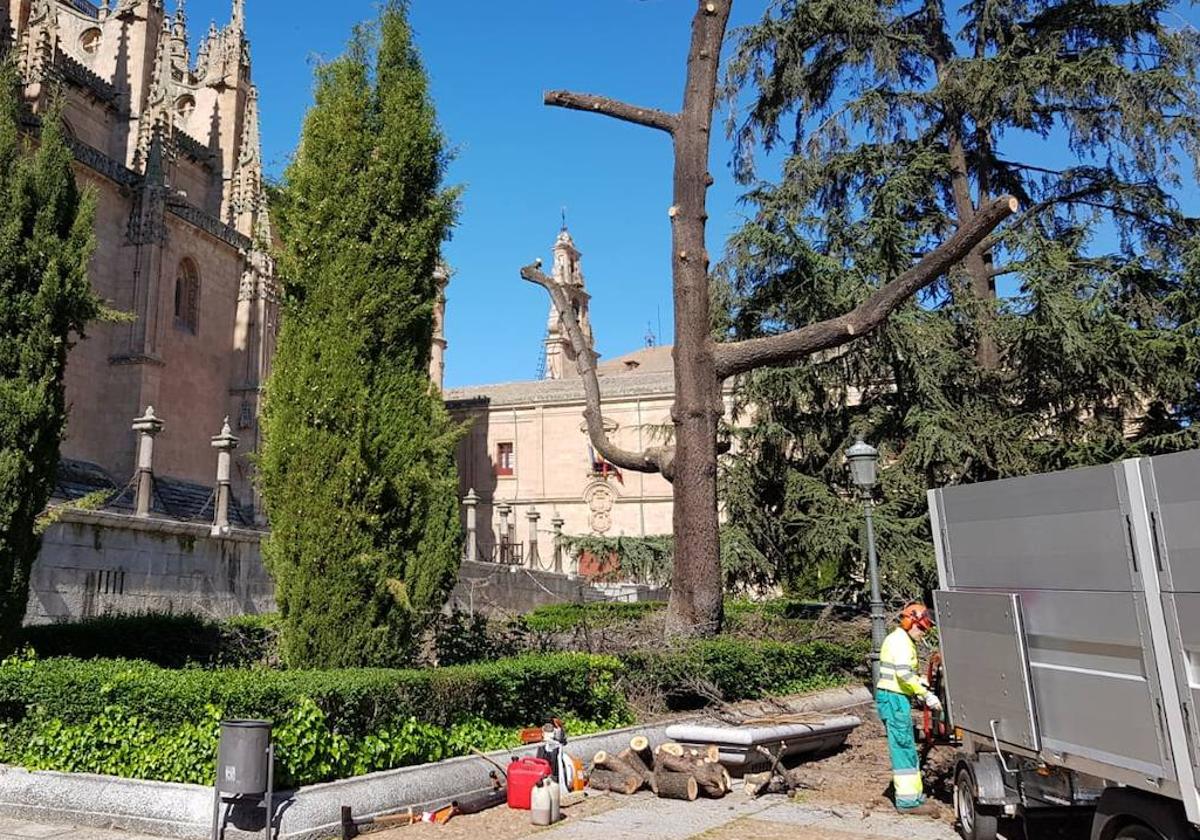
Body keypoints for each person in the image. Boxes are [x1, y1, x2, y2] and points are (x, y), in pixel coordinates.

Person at [876, 602, 941, 815]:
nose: (923, 633)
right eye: (921, 628)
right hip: (894, 699)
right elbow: (903, 675)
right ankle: (907, 802)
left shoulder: (901, 640)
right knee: (903, 747)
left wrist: (919, 681)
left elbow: (904, 674)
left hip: (896, 697)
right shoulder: (901, 642)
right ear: (909, 622)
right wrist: (926, 695)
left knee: (906, 746)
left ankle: (913, 796)